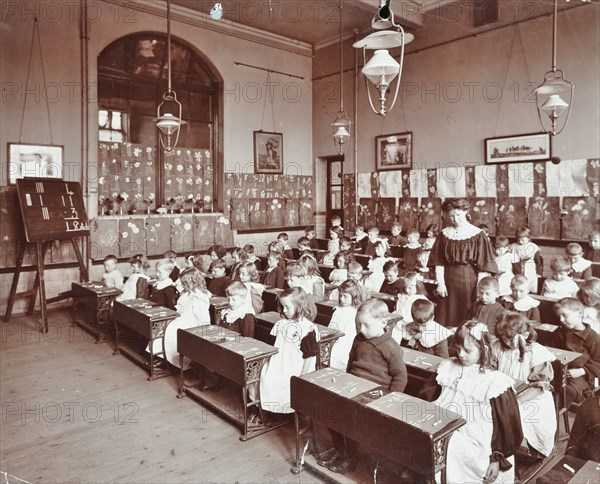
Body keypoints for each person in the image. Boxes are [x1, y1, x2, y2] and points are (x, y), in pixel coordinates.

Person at [418, 321, 523, 484]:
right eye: (458, 348)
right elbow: (427, 397)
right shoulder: (448, 366)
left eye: (467, 350)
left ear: (484, 349)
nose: (461, 355)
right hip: (445, 425)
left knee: (448, 445)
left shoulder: (495, 382)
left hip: (477, 441)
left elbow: (507, 426)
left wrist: (496, 458)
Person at [318, 299, 407, 474]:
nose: (361, 330)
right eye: (358, 324)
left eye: (366, 325)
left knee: (351, 420)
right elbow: (351, 362)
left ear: (383, 323)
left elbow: (400, 376)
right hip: (354, 387)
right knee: (328, 411)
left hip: (376, 395)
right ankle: (340, 450)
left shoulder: (391, 347)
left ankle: (350, 457)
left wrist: (390, 400)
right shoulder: (359, 339)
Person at [493, 312, 556, 458]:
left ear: (525, 334)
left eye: (510, 339)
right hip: (505, 392)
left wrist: (517, 402)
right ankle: (495, 446)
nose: (507, 343)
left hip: (531, 396)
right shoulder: (498, 347)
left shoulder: (536, 352)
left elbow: (540, 386)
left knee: (508, 414)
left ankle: (507, 449)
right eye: (503, 338)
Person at [429, 198, 498, 327]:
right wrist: (440, 283)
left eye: (458, 215)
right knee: (445, 314)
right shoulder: (444, 234)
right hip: (448, 281)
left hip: (469, 281)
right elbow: (439, 261)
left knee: (466, 312)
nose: (455, 219)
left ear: (466, 212)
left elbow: (483, 265)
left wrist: (479, 288)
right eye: (451, 216)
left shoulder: (477, 234)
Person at [259, 287, 319, 414]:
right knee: (266, 378)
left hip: (296, 365)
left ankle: (286, 411)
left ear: (300, 306)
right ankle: (270, 411)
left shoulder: (307, 328)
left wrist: (303, 376)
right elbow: (273, 344)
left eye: (287, 307)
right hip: (279, 360)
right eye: (282, 307)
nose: (284, 310)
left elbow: (309, 356)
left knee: (283, 384)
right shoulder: (281, 323)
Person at [152, 267, 210, 368]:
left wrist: (203, 331)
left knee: (171, 330)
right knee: (164, 327)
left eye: (184, 283)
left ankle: (169, 359)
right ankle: (161, 356)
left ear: (192, 282)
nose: (182, 286)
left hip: (192, 322)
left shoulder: (198, 297)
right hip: (182, 318)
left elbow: (202, 317)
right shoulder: (187, 294)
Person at [551, 297, 600, 407]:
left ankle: (553, 414)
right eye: (559, 316)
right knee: (542, 387)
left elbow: (598, 361)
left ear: (579, 313)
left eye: (565, 316)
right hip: (559, 372)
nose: (561, 320)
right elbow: (552, 352)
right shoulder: (559, 332)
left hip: (583, 376)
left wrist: (581, 371)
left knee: (568, 391)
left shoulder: (592, 336)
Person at [328, 280, 365, 371]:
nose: (341, 299)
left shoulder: (354, 313)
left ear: (354, 297)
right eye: (340, 296)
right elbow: (331, 328)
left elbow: (351, 335)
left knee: (336, 356)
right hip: (334, 339)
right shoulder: (338, 310)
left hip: (346, 342)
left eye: (345, 297)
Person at [511, 226, 542, 294]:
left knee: (530, 289)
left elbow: (538, 262)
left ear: (528, 238)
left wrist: (539, 273)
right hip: (517, 272)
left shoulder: (533, 247)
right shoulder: (513, 246)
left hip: (530, 273)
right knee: (518, 289)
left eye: (522, 239)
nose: (520, 241)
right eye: (518, 239)